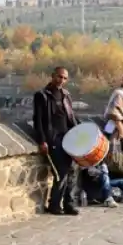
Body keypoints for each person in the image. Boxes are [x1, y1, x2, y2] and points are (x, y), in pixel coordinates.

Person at [33, 67, 79, 215]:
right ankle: (54, 204)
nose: (62, 80)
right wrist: (42, 140)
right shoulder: (42, 95)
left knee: (72, 171)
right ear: (52, 76)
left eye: (65, 78)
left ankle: (69, 204)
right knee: (61, 172)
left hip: (68, 137)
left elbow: (71, 117)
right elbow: (38, 120)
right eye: (59, 77)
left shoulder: (66, 95)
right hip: (53, 139)